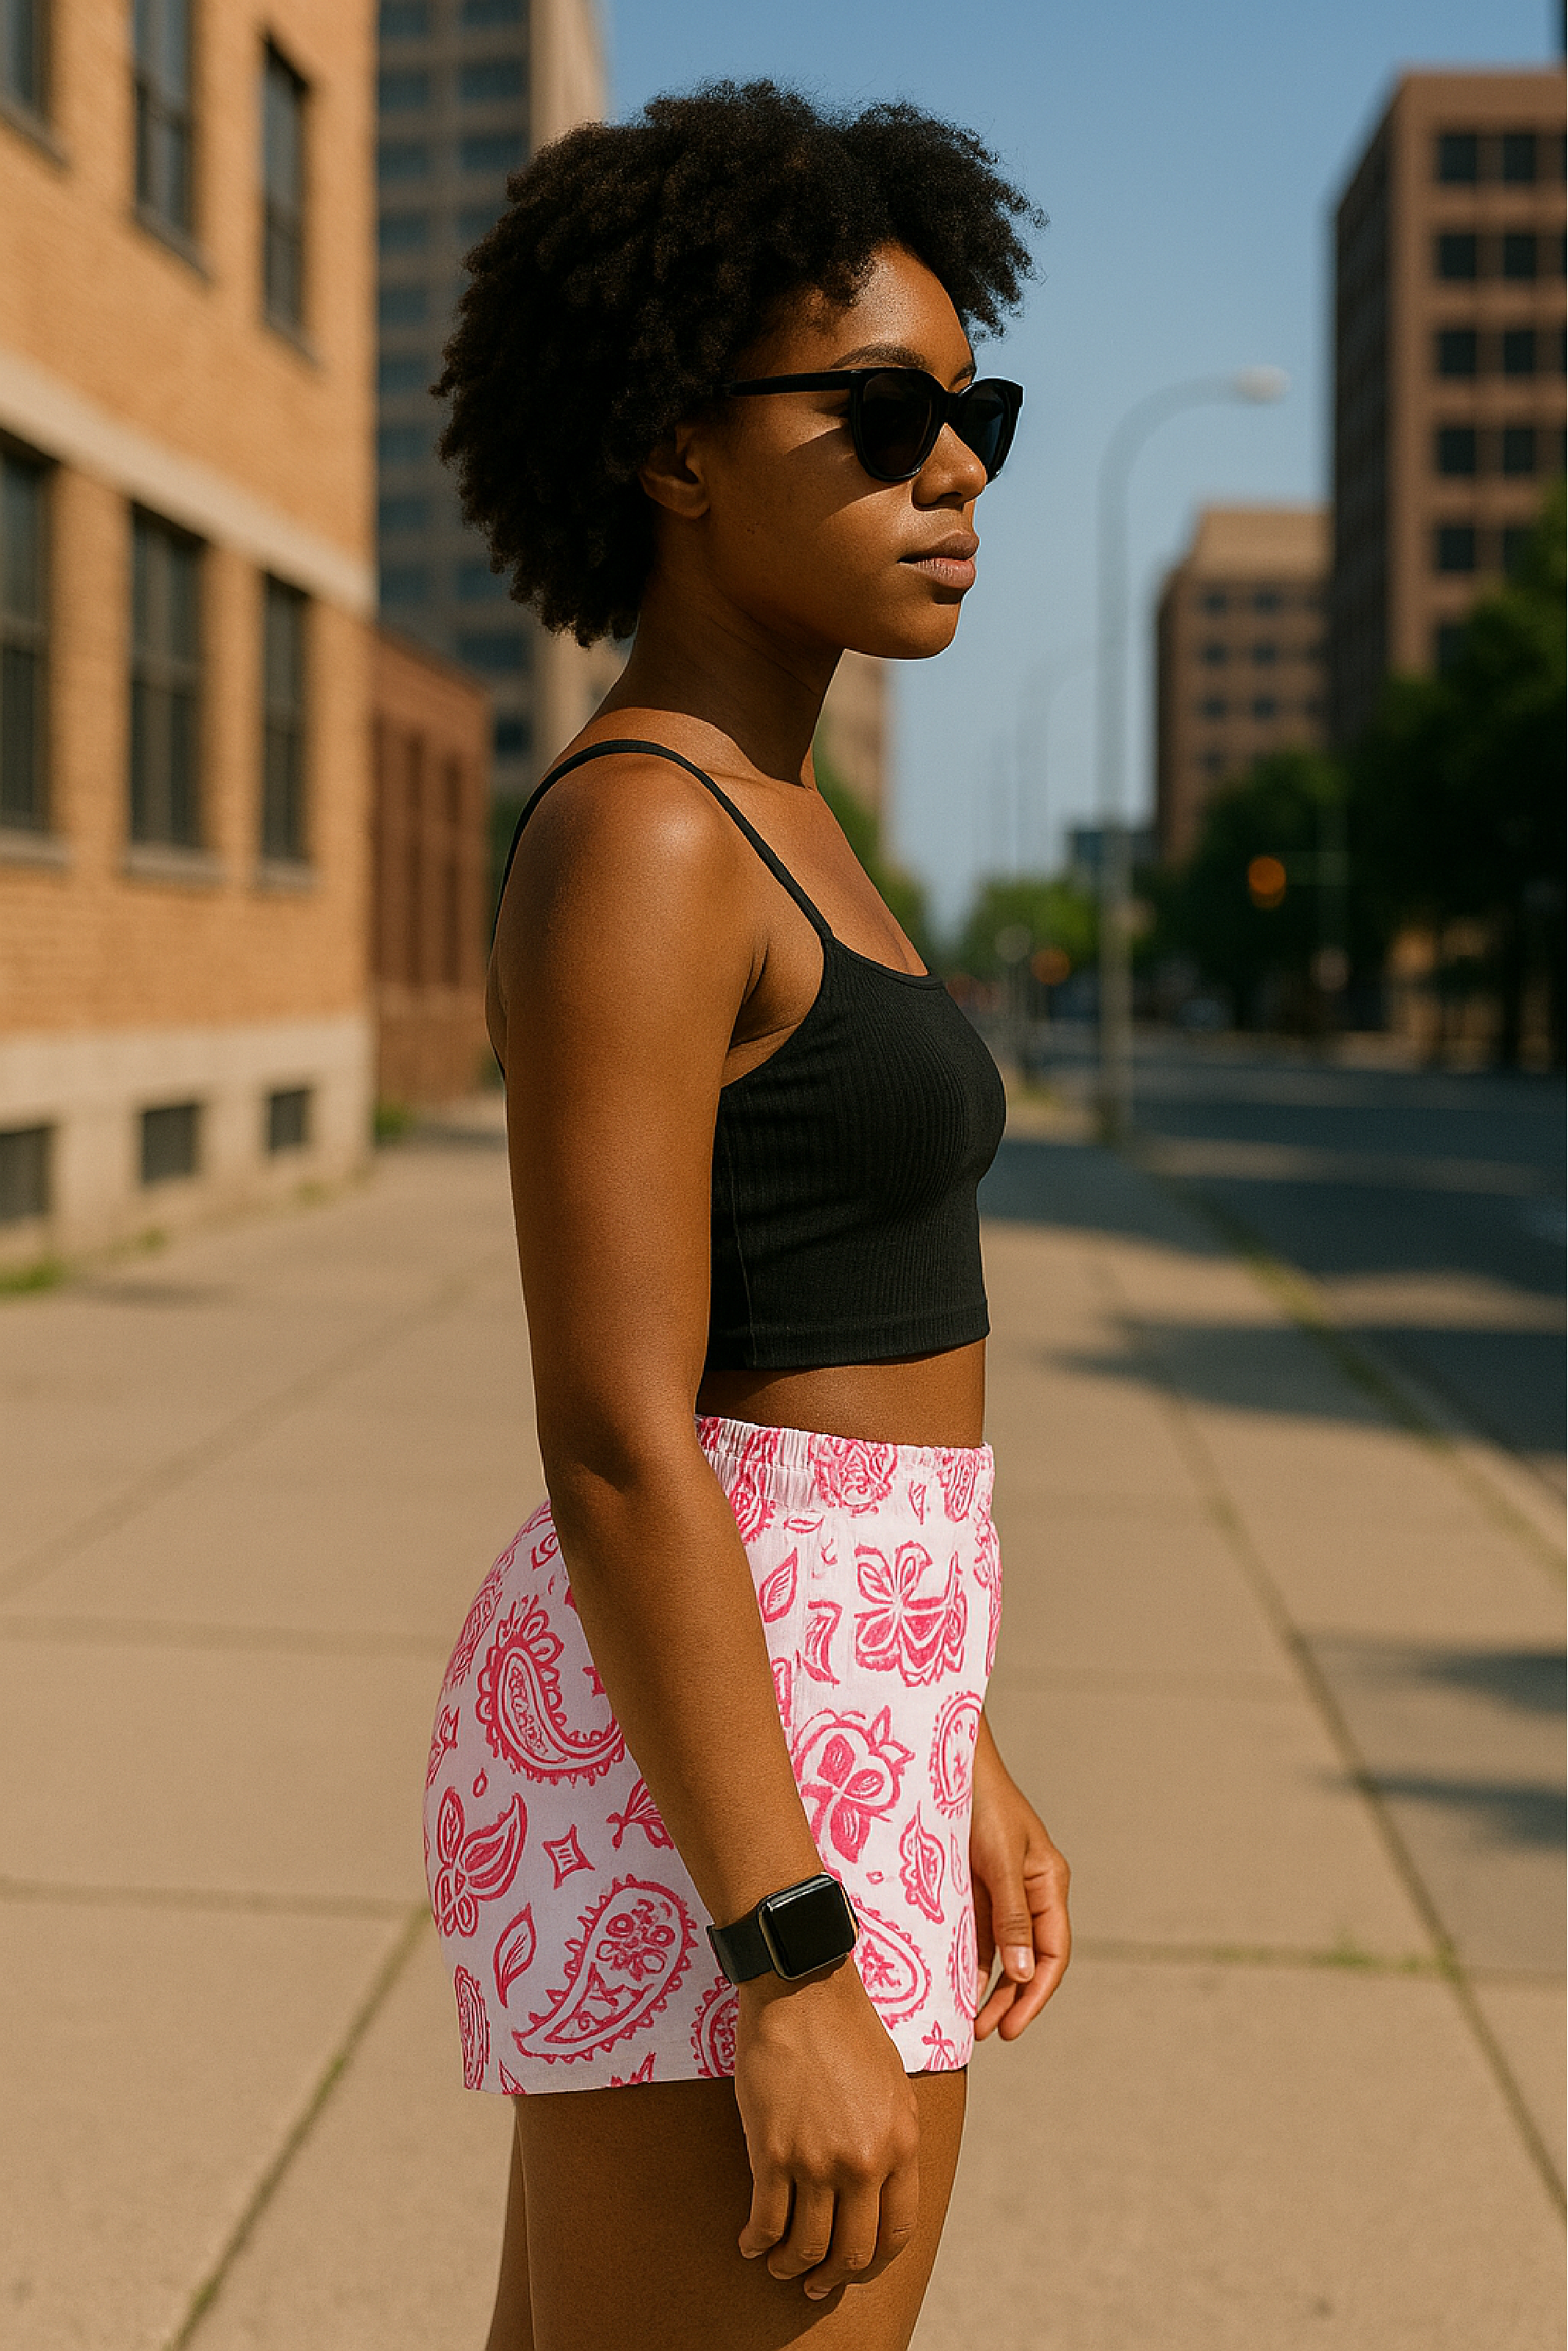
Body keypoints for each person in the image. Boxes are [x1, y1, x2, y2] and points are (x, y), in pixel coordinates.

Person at [423, 80, 1072, 2350]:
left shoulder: (779, 813)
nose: (958, 465)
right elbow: (620, 1431)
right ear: (677, 449)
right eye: (885, 412)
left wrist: (949, 1733)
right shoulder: (650, 840)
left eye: (972, 405)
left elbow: (816, 1321)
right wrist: (787, 1945)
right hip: (728, 1780)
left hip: (830, 1717)